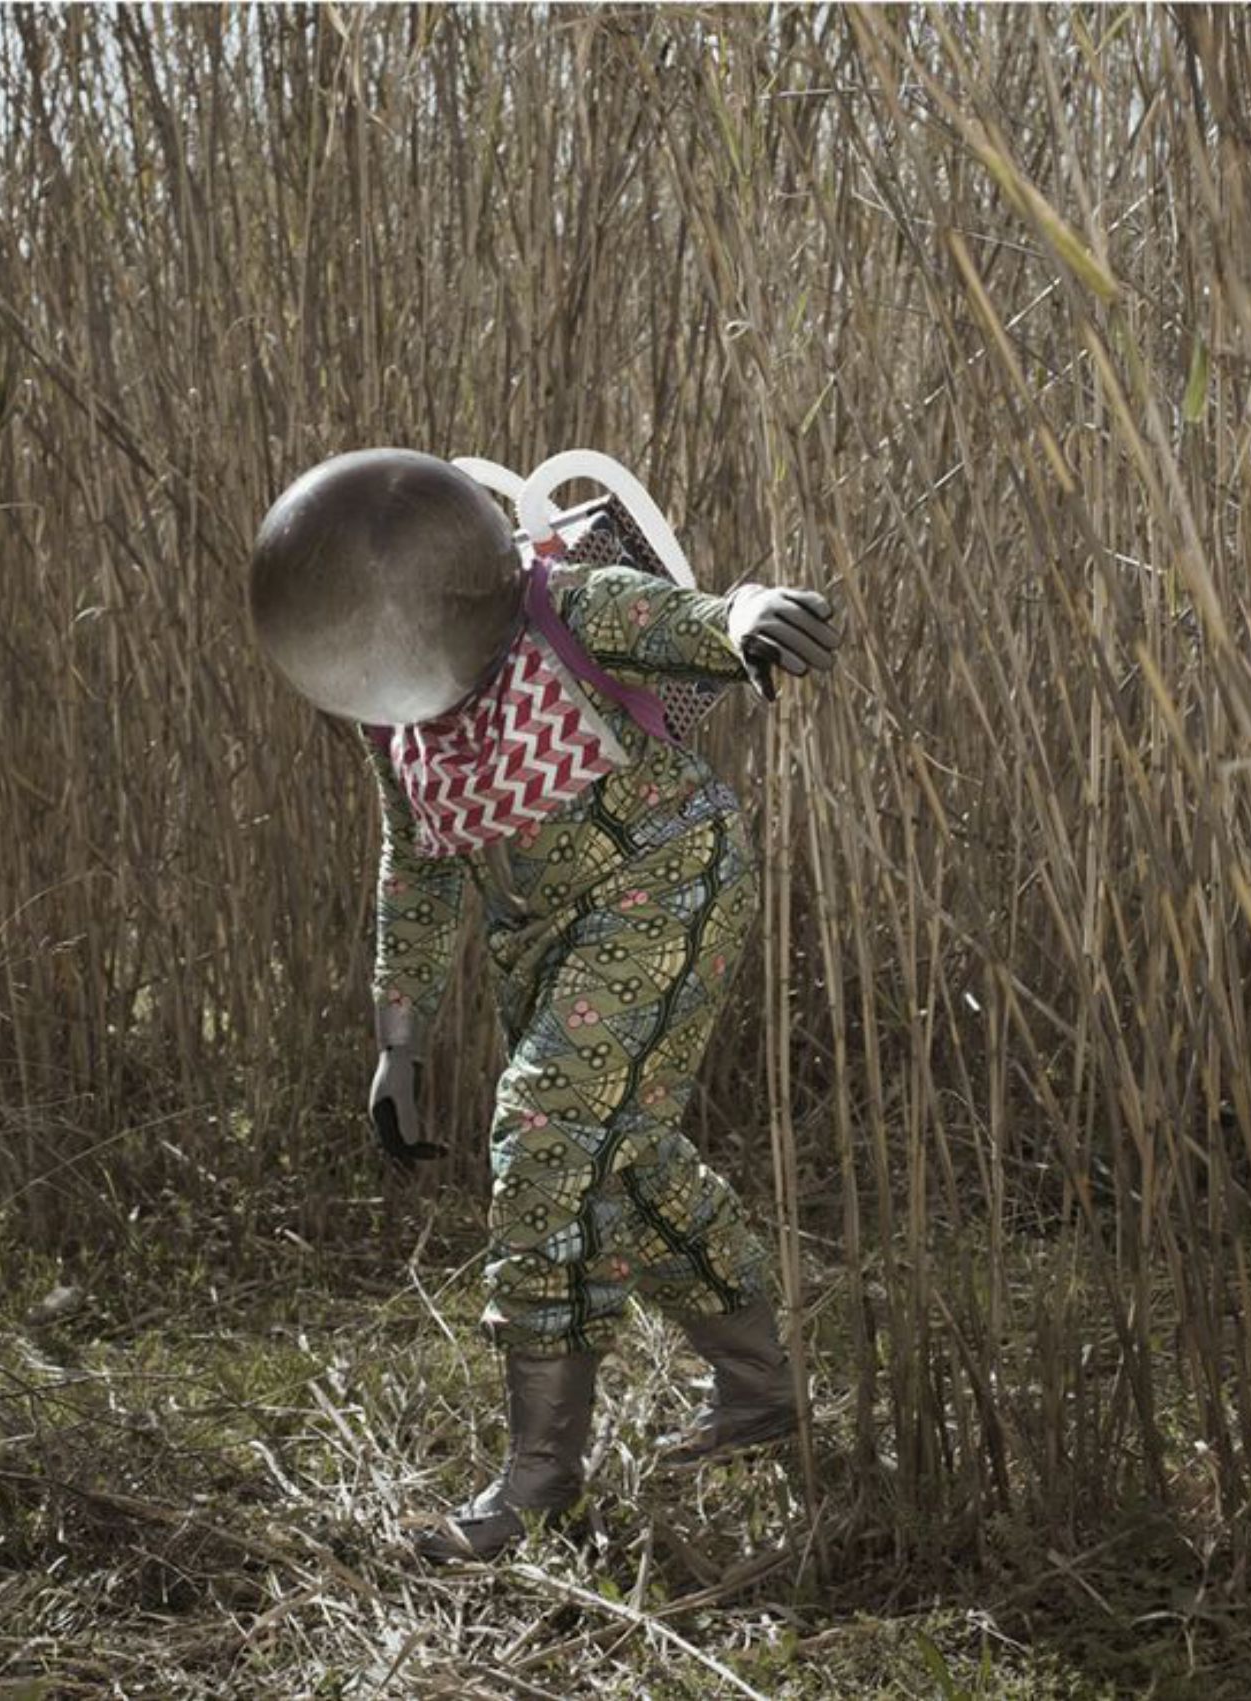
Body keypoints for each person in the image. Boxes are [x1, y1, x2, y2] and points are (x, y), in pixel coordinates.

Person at [249, 447, 839, 1561]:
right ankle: (763, 1390)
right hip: (545, 941)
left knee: (545, 1132)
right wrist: (399, 1038)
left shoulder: (564, 604)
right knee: (624, 1152)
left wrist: (751, 616)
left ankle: (538, 1481)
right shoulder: (392, 705)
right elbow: (416, 860)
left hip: (667, 880)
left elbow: (692, 623)